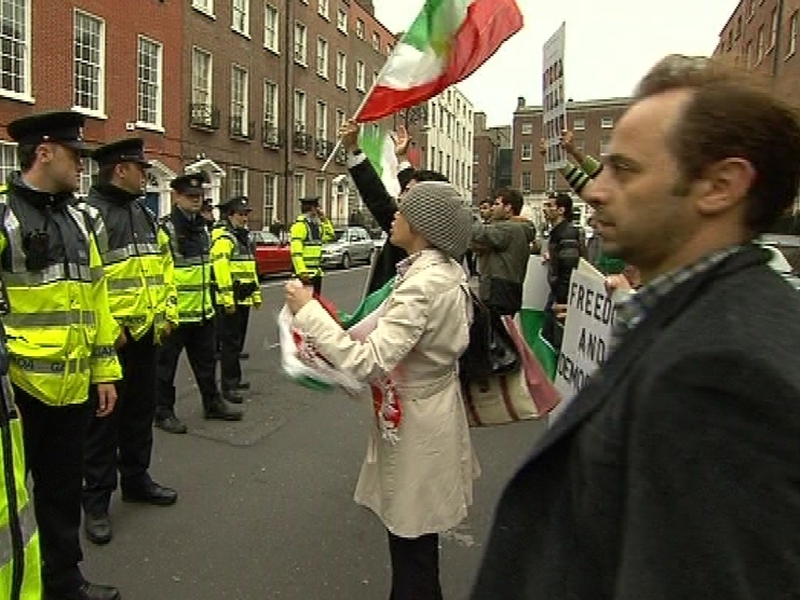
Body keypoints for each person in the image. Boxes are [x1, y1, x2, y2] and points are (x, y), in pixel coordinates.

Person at [471, 54, 800, 599]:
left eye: (625, 170)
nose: (596, 192)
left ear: (720, 185)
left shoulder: (722, 376)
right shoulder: (706, 319)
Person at [285, 181, 479, 600]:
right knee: (417, 537)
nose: (394, 215)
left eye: (403, 209)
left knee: (411, 539)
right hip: (428, 410)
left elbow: (367, 361)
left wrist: (309, 313)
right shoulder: (441, 273)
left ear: (424, 226)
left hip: (417, 421)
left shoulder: (421, 285)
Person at [1, 111, 122, 600]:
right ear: (44, 153)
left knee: (61, 492)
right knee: (10, 503)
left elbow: (97, 300)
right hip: (15, 392)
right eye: (75, 155)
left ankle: (65, 583)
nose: (83, 166)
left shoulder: (80, 220)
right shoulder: (4, 216)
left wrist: (105, 371)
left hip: (72, 388)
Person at [79, 138, 179, 547]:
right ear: (120, 169)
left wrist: (168, 310)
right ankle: (97, 502)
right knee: (103, 424)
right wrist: (108, 331)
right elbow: (85, 283)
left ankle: (137, 480)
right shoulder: (90, 216)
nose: (146, 175)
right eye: (141, 168)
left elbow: (164, 264)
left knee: (140, 413)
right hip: (112, 341)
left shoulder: (143, 211)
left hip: (146, 336)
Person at [154, 173, 242, 434]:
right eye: (190, 197)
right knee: (165, 368)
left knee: (206, 362)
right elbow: (160, 274)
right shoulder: (166, 229)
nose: (196, 201)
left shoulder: (202, 227)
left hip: (203, 311)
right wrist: (165, 313)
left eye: (199, 196)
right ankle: (163, 412)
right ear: (176, 197)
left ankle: (212, 402)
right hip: (176, 314)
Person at [338, 120, 448, 294]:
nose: (400, 199)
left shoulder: (417, 286)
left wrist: (353, 148)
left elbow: (377, 198)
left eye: (407, 195)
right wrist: (402, 159)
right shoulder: (440, 242)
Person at [210, 196, 261, 403]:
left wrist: (256, 293)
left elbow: (251, 268)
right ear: (230, 215)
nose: (244, 218)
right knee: (230, 345)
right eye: (240, 214)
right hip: (231, 301)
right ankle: (228, 386)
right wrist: (227, 298)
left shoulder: (243, 237)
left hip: (244, 299)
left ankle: (235, 379)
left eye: (246, 214)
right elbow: (220, 269)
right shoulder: (225, 238)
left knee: (237, 342)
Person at [471, 188, 536, 316]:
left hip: (499, 290)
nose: (492, 208)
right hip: (508, 288)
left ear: (508, 208)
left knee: (496, 331)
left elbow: (480, 233)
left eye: (496, 204)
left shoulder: (509, 228)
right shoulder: (518, 228)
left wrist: (466, 217)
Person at [541, 191, 582, 347]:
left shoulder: (566, 233)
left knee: (553, 337)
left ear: (561, 210)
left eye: (549, 205)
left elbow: (569, 267)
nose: (545, 209)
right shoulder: (560, 233)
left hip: (561, 295)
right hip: (558, 292)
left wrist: (561, 297)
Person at [289, 197, 335, 295]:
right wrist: (302, 272)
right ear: (312, 209)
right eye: (317, 208)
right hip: (305, 275)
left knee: (314, 305)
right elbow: (296, 252)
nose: (319, 211)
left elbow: (330, 235)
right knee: (304, 306)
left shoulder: (317, 226)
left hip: (316, 273)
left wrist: (324, 219)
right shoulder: (299, 226)